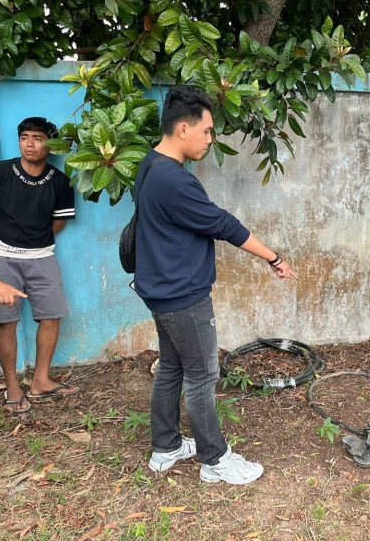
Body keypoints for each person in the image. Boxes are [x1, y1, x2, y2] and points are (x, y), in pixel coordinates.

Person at [135, 85, 296, 485]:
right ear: (183, 128)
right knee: (203, 375)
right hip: (183, 296)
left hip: (161, 289)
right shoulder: (174, 180)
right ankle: (215, 459)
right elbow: (223, 224)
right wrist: (273, 257)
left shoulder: (150, 165)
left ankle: (166, 447)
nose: (210, 139)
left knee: (172, 366)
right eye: (206, 131)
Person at [0, 117, 79, 414]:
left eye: (37, 138)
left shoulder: (60, 181)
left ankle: (41, 381)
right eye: (24, 137)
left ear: (51, 144)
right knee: (6, 320)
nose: (29, 144)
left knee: (52, 315)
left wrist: (35, 239)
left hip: (41, 255)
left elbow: (59, 221)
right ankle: (12, 387)